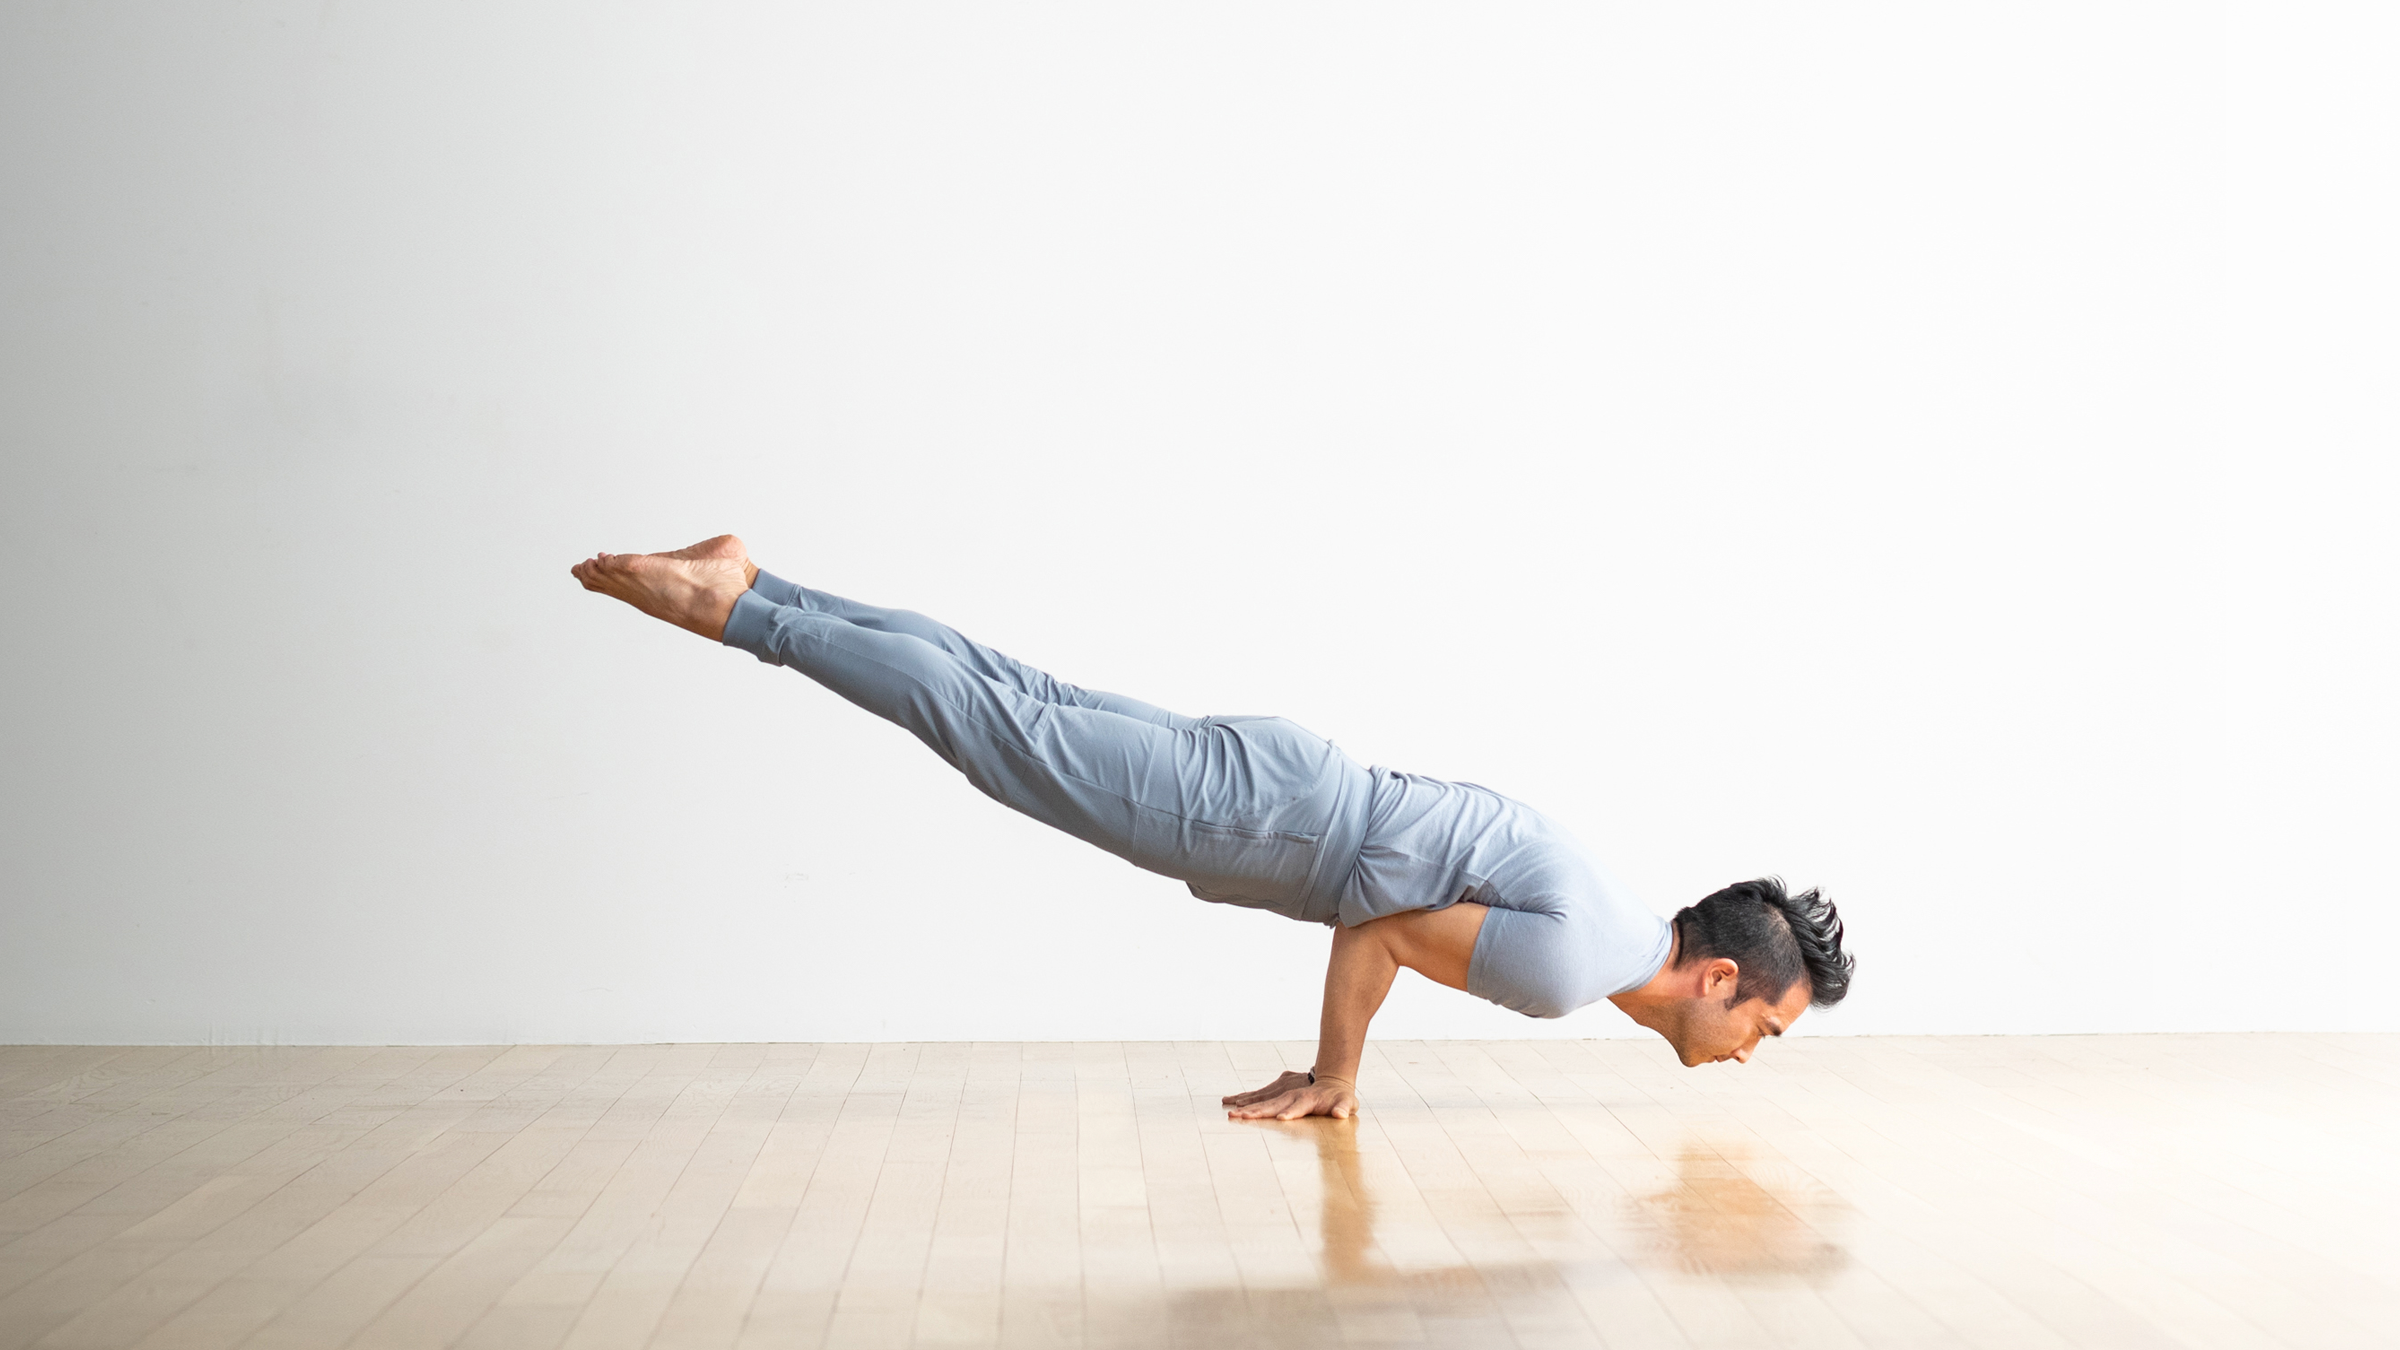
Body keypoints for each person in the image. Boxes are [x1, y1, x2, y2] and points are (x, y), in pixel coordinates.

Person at [571, 535, 1855, 1121]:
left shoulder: (1612, 906)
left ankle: (763, 581)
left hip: (1289, 777)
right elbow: (1388, 936)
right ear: (1722, 976)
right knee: (998, 730)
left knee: (1017, 694)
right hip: (1266, 823)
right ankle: (738, 611)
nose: (1751, 1050)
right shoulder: (1581, 968)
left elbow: (1398, 920)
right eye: (1765, 1027)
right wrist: (1338, 1074)